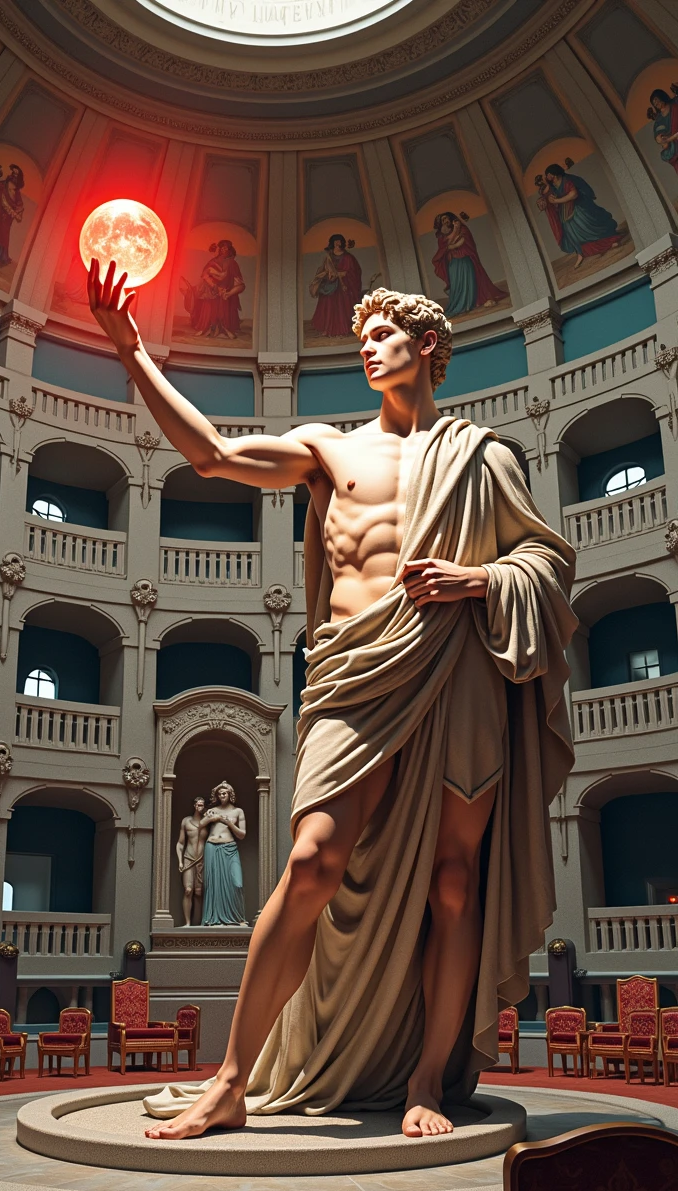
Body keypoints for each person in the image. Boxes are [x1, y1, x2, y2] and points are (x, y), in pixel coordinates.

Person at [88, 260, 577, 1141]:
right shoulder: (329, 448)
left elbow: (546, 565)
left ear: (428, 346)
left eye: (383, 336)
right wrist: (132, 353)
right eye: (361, 340)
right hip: (353, 673)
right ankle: (231, 1080)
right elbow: (212, 454)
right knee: (311, 861)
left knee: (455, 884)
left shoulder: (485, 455)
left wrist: (476, 578)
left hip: (456, 671)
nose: (367, 350)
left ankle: (428, 1077)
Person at [536, 163, 623, 269]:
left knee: (589, 227)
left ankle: (609, 242)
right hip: (565, 214)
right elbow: (548, 197)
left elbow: (574, 194)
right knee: (571, 234)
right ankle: (580, 254)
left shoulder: (566, 181)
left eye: (548, 174)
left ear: (554, 174)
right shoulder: (553, 186)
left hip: (577, 209)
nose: (547, 177)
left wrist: (557, 200)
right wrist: (544, 201)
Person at [431, 212, 507, 317]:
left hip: (465, 260)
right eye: (443, 220)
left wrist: (456, 234)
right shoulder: (442, 237)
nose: (446, 221)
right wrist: (455, 234)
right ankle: (460, 305)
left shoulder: (462, 229)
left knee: (469, 281)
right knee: (457, 285)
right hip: (453, 262)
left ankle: (471, 303)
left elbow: (464, 241)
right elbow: (446, 246)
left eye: (447, 219)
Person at [200, 782, 247, 927]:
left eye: (225, 793)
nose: (222, 795)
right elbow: (200, 824)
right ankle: (212, 919)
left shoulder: (238, 811)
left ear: (230, 794)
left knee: (237, 883)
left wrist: (230, 824)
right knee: (213, 884)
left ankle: (238, 918)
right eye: (220, 793)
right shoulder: (212, 810)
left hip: (230, 847)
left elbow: (242, 835)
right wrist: (210, 818)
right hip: (212, 847)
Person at [181, 240, 246, 338]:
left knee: (224, 300)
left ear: (230, 250)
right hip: (212, 290)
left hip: (226, 291)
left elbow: (238, 281)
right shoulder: (213, 262)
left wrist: (228, 292)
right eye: (222, 247)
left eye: (226, 248)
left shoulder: (232, 263)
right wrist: (215, 287)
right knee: (208, 301)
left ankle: (225, 328)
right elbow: (205, 276)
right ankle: (207, 328)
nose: (224, 250)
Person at [309, 235, 363, 337]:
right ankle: (326, 328)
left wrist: (344, 274)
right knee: (328, 307)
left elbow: (355, 271)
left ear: (342, 242)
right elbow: (324, 269)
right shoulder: (329, 256)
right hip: (330, 285)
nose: (337, 243)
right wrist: (328, 273)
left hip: (342, 286)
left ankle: (341, 329)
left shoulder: (348, 257)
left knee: (340, 308)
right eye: (335, 241)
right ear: (332, 243)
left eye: (339, 241)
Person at [177, 796, 207, 926]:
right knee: (188, 890)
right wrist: (180, 861)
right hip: (188, 858)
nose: (200, 807)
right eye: (199, 805)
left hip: (202, 858)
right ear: (195, 806)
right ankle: (187, 922)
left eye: (202, 805)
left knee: (199, 892)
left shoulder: (207, 822)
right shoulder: (186, 821)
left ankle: (199, 922)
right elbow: (180, 843)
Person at [649, 87, 678, 178]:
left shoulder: (674, 105)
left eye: (657, 100)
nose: (656, 103)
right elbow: (657, 133)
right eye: (654, 103)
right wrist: (659, 139)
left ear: (662, 97)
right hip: (674, 147)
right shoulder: (659, 119)